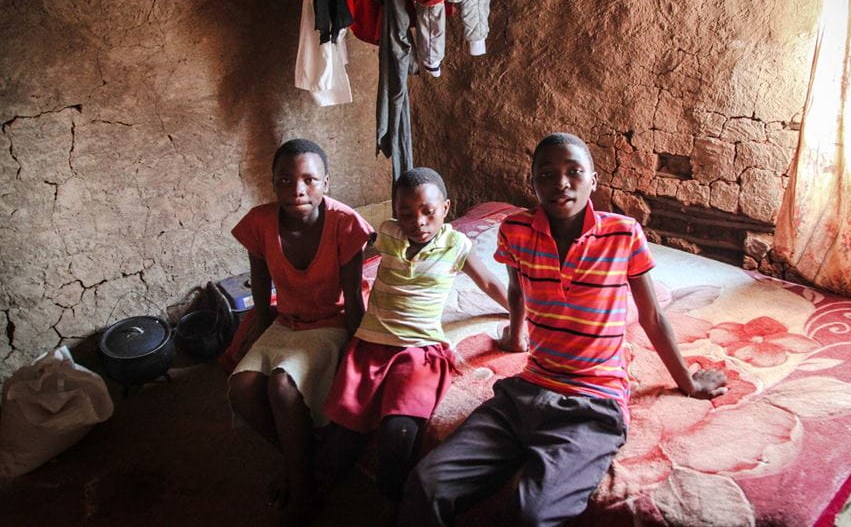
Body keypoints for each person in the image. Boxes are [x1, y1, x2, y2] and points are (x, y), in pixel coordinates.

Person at [400, 133, 728, 526]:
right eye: (547, 174)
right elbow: (517, 289)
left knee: (531, 514)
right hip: (524, 393)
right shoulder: (515, 231)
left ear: (594, 179)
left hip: (593, 404)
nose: (561, 183)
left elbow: (652, 317)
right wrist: (516, 336)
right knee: (426, 482)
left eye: (574, 172)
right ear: (533, 183)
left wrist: (688, 383)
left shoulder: (623, 235)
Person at [319, 167, 510, 504]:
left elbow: (490, 283)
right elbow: (351, 244)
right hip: (370, 347)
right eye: (406, 213)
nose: (418, 221)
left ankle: (394, 503)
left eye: (428, 212)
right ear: (395, 214)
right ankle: (314, 486)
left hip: (420, 351)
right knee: (342, 434)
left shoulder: (456, 244)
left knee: (399, 431)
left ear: (447, 208)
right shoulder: (388, 234)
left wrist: (523, 313)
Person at [227, 138, 373, 522]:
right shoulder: (259, 222)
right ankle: (303, 465)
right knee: (240, 387)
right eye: (285, 180)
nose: (297, 190)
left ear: (327, 182)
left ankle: (303, 490)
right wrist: (258, 329)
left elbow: (354, 298)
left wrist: (356, 354)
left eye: (310, 179)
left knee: (281, 384)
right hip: (285, 321)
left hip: (331, 323)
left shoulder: (345, 224)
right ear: (272, 183)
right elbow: (259, 285)